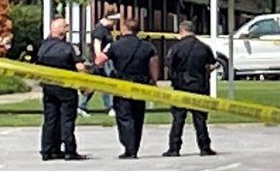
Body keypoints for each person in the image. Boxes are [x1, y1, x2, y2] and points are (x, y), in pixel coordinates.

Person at [35, 17, 88, 161]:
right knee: (67, 119)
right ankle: (70, 150)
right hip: (66, 88)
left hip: (49, 87)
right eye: (65, 27)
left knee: (50, 119)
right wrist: (84, 85)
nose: (67, 29)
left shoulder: (43, 47)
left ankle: (48, 150)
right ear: (61, 31)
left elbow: (37, 66)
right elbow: (80, 67)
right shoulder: (69, 47)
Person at [104, 17, 158, 159]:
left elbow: (101, 60)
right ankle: (134, 147)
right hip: (140, 84)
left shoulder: (115, 45)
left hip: (121, 85)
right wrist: (154, 80)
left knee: (124, 117)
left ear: (124, 29)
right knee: (138, 116)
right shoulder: (147, 46)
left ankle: (129, 147)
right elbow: (153, 63)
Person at [162, 20, 218, 157]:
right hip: (199, 86)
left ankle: (174, 148)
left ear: (181, 30)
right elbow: (213, 64)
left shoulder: (176, 48)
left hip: (180, 86)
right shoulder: (204, 47)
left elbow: (169, 65)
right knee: (200, 119)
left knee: (178, 119)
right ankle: (204, 148)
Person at [78, 14, 117, 118]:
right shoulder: (100, 30)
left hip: (103, 61)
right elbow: (97, 45)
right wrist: (99, 60)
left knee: (97, 84)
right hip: (100, 61)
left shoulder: (105, 29)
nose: (115, 23)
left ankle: (82, 106)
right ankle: (108, 107)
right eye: (115, 21)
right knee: (103, 84)